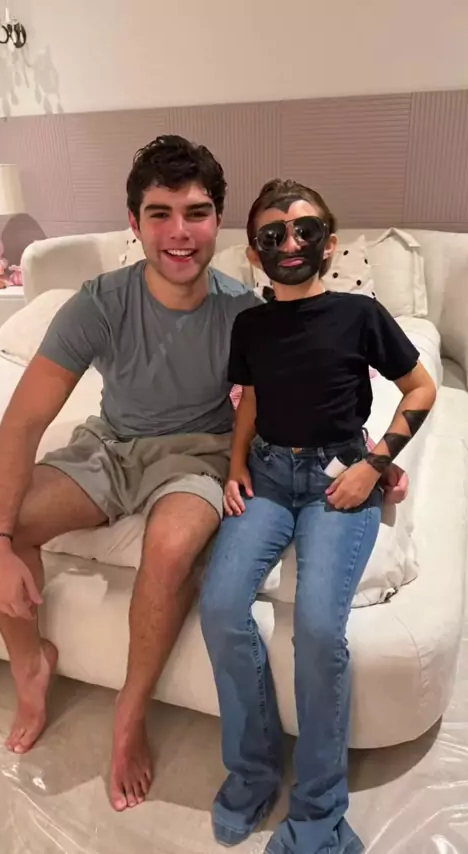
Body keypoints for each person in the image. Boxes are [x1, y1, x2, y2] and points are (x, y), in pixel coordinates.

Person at [0, 135, 261, 811]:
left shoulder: (244, 313)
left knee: (169, 548)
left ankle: (128, 716)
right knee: (4, 518)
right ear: (134, 223)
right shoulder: (98, 303)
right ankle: (31, 664)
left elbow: (299, 401)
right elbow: (21, 424)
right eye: (159, 213)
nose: (178, 232)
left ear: (217, 221)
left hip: (198, 453)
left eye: (195, 213)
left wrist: (368, 458)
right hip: (111, 445)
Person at [200, 180, 437, 854]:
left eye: (305, 231)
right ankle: (252, 771)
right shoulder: (251, 324)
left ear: (329, 244)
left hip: (341, 477)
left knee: (317, 627)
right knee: (219, 605)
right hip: (269, 477)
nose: (290, 244)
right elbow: (251, 400)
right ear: (255, 253)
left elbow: (421, 387)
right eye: (273, 235)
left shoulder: (361, 314)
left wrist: (375, 463)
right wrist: (236, 464)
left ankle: (318, 810)